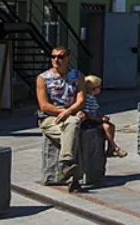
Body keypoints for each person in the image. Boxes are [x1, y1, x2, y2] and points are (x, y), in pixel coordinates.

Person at [36, 46, 85, 189]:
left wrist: (68, 111)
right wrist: (62, 112)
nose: (56, 60)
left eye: (60, 57)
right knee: (73, 128)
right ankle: (71, 172)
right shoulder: (43, 78)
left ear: (68, 58)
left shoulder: (77, 75)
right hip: (50, 119)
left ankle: (66, 165)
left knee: (72, 127)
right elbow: (44, 105)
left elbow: (81, 100)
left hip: (70, 116)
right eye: (53, 57)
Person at [79, 75, 128, 157]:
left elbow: (96, 110)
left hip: (95, 119)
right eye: (99, 87)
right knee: (107, 127)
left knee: (111, 126)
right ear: (94, 89)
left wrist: (102, 117)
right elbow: (88, 114)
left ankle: (110, 149)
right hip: (89, 121)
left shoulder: (93, 98)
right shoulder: (86, 99)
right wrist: (99, 119)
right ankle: (115, 147)